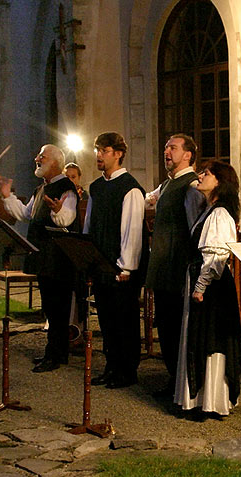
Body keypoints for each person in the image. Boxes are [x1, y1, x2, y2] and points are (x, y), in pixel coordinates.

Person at [0, 144, 79, 372]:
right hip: (44, 259)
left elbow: (67, 218)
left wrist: (57, 211)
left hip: (59, 260)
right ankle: (54, 352)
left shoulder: (66, 188)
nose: (36, 158)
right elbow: (27, 213)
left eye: (41, 156)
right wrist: (7, 197)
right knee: (50, 307)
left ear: (54, 162)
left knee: (58, 308)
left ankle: (56, 355)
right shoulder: (41, 189)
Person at [174, 160, 241, 417]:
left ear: (219, 181)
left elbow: (216, 255)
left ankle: (211, 401)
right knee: (198, 337)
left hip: (211, 286)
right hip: (202, 281)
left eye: (206, 173)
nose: (200, 176)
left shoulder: (220, 214)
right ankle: (198, 399)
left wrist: (200, 286)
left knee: (209, 339)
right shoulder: (209, 210)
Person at [84, 132, 146, 389]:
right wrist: (87, 257)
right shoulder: (96, 187)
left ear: (118, 154)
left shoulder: (130, 188)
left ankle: (127, 371)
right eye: (97, 150)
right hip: (100, 264)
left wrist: (126, 267)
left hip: (121, 268)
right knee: (107, 320)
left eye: (104, 150)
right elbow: (90, 224)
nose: (98, 155)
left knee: (125, 320)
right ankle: (111, 367)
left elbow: (131, 230)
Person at [145, 133, 205, 397]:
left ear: (188, 155)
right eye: (166, 147)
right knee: (167, 328)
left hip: (178, 268)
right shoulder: (168, 185)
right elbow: (148, 200)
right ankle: (173, 377)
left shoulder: (191, 187)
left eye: (173, 148)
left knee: (178, 328)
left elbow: (195, 230)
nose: (167, 152)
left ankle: (182, 382)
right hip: (163, 268)